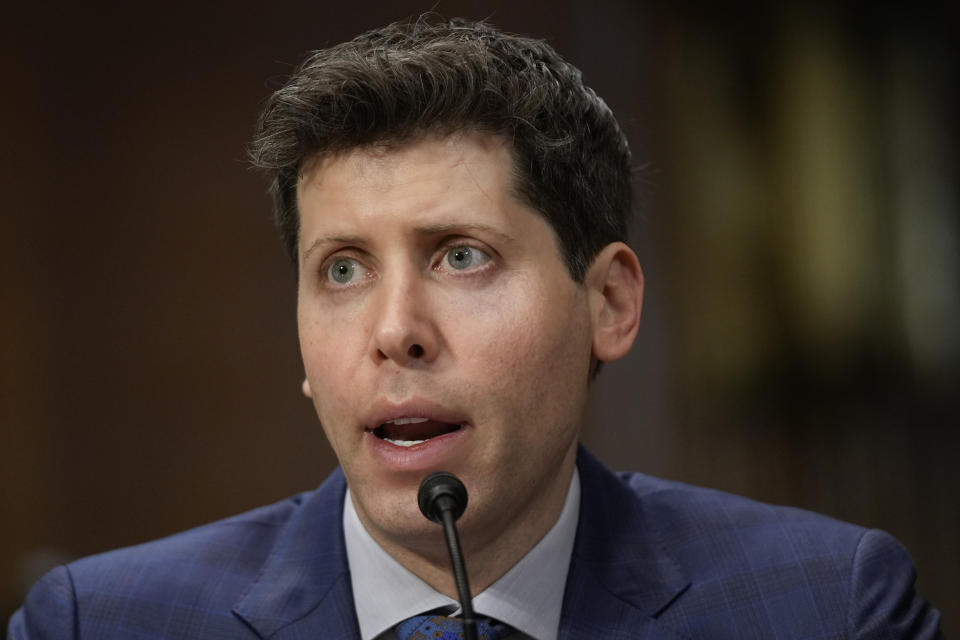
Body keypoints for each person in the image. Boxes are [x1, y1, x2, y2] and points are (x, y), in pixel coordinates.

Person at [9, 16, 943, 640]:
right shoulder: (104, 623)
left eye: (461, 256)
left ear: (609, 304)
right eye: (342, 270)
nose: (395, 330)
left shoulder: (827, 605)